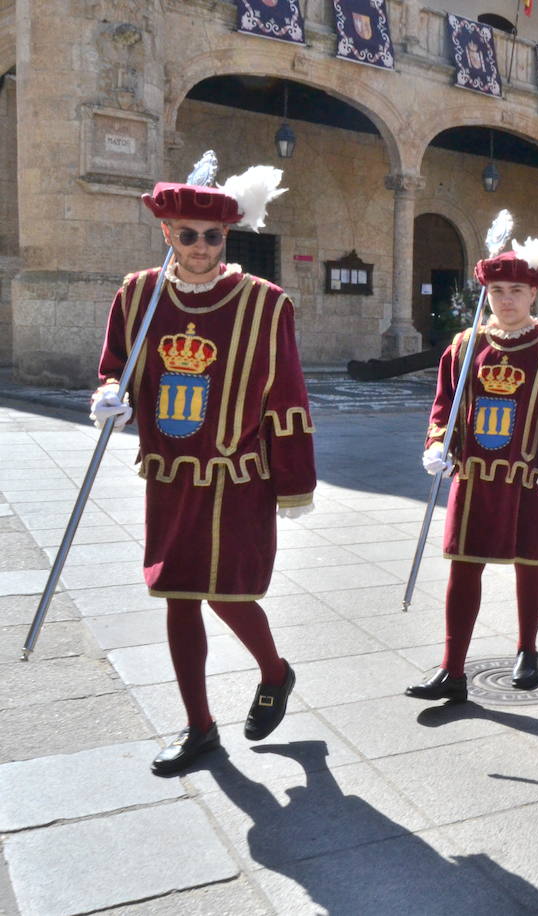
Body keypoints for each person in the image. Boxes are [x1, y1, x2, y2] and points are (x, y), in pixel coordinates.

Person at [90, 164, 314, 775]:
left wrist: (295, 480)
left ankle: (275, 672)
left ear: (227, 238)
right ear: (167, 233)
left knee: (229, 594)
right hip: (169, 472)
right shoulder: (137, 294)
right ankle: (199, 727)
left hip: (240, 475)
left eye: (212, 237)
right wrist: (110, 393)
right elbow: (116, 364)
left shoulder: (267, 304)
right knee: (177, 593)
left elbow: (288, 397)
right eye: (187, 235)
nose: (200, 248)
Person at [409, 237, 538, 702]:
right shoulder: (463, 347)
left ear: (534, 293)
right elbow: (444, 409)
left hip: (531, 478)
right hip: (474, 479)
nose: (506, 299)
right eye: (497, 291)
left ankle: (527, 650)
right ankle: (452, 669)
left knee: (530, 564)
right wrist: (438, 443)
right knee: (463, 568)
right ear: (485, 294)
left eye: (515, 289)